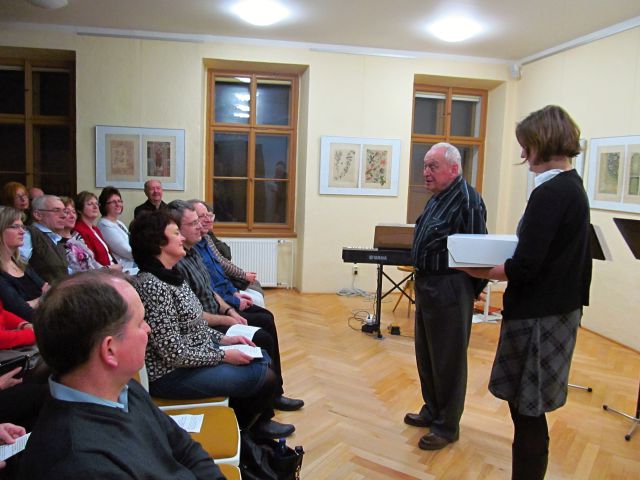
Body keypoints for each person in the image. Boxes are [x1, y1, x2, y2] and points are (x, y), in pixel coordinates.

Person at [460, 106, 592, 480]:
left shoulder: (551, 193)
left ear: (542, 143)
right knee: (527, 410)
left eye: (526, 145)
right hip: (556, 311)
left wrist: (476, 270)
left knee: (528, 411)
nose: (523, 154)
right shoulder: (572, 186)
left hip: (539, 317)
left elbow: (527, 265)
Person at [19, 270, 226, 479]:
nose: (148, 329)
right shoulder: (81, 464)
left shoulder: (123, 390)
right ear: (110, 350)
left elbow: (185, 449)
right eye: (140, 322)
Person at [130, 211, 295, 439]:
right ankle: (246, 434)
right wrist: (224, 355)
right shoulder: (152, 285)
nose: (181, 238)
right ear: (158, 242)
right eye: (176, 233)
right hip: (172, 374)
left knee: (262, 356)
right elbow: (174, 354)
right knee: (263, 375)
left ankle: (248, 429)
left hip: (195, 355)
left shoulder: (171, 275)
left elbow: (194, 323)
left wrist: (224, 339)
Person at [168, 200, 302, 412]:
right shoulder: (177, 265)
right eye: (194, 222)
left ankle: (274, 395)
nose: (201, 225)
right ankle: (265, 407)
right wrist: (229, 317)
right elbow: (193, 316)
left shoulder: (193, 252)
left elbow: (211, 288)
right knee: (262, 336)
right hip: (210, 323)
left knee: (266, 319)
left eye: (203, 218)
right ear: (176, 231)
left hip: (219, 312)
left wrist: (230, 309)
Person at [404, 142, 487, 450]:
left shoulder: (468, 200)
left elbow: (478, 253)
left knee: (448, 360)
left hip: (450, 288)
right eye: (425, 166)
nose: (426, 172)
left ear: (454, 168)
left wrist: (466, 294)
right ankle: (432, 409)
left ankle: (447, 425)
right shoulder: (438, 198)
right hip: (428, 285)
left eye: (433, 166)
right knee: (427, 354)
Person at [196, 201, 265, 306]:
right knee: (258, 304)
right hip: (221, 296)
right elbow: (221, 264)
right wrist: (243, 276)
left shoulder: (207, 237)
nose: (209, 220)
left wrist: (234, 290)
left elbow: (223, 259)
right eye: (203, 216)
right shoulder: (196, 246)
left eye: (210, 216)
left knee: (257, 296)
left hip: (226, 289)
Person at [0, 207, 47, 322]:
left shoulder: (20, 263)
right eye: (15, 227)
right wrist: (42, 298)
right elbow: (20, 310)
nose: (22, 231)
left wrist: (35, 302)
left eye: (22, 227)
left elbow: (48, 289)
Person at [19, 195, 69, 285]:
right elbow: (18, 266)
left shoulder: (57, 240)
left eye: (64, 211)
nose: (64, 215)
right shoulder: (28, 234)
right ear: (38, 215)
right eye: (56, 210)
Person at [72, 191, 119, 269]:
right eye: (90, 204)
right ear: (79, 209)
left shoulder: (95, 229)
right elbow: (89, 264)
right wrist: (111, 268)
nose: (95, 207)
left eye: (96, 204)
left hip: (112, 269)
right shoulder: (78, 231)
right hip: (101, 273)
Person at [97, 186, 137, 273]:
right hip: (125, 267)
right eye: (113, 202)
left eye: (119, 201)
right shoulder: (104, 225)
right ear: (104, 205)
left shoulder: (118, 223)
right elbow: (127, 251)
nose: (118, 204)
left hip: (134, 261)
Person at [58, 196, 102, 274]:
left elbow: (92, 261)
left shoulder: (77, 236)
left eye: (74, 212)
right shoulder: (57, 242)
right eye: (67, 212)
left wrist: (107, 270)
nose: (72, 216)